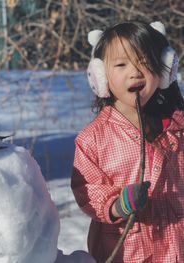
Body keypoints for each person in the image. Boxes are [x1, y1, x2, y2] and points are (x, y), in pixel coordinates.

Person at [71, 20, 184, 262]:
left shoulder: (179, 128)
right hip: (130, 251)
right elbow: (87, 189)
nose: (135, 72)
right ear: (100, 76)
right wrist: (116, 205)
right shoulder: (93, 138)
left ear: (165, 69)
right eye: (121, 64)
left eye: (145, 61)